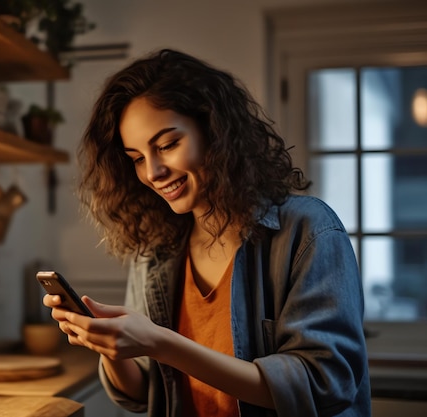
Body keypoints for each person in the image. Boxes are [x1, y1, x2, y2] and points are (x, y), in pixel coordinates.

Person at [43, 49, 371, 417]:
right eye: (136, 158)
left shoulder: (308, 231)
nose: (152, 172)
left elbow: (324, 385)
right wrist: (109, 346)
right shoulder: (157, 250)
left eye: (167, 145)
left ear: (215, 132)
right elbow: (143, 395)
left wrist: (160, 343)